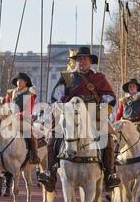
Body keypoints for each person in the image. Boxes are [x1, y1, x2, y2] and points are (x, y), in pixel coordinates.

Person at [38, 46, 119, 192]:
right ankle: (51, 172)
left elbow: (110, 96)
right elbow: (56, 96)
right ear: (75, 62)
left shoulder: (98, 78)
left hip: (92, 114)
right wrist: (63, 107)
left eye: (85, 59)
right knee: (53, 137)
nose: (82, 62)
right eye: (79, 59)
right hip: (71, 114)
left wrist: (101, 108)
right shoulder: (68, 77)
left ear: (90, 61)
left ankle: (109, 174)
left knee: (107, 137)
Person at [3, 72, 40, 164]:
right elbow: (5, 105)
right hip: (10, 119)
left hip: (23, 120)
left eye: (22, 80)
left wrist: (18, 115)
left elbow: (28, 110)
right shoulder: (10, 93)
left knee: (31, 135)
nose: (19, 82)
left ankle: (34, 154)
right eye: (18, 80)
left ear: (26, 83)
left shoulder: (28, 94)